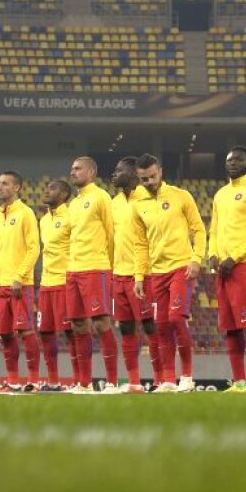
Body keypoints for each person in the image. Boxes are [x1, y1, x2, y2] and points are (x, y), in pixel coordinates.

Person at [130, 154, 206, 392]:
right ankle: (168, 380)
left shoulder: (181, 196)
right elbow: (140, 244)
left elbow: (199, 230)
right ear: (139, 178)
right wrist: (140, 276)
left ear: (160, 172)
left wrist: (196, 259)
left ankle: (187, 376)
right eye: (144, 179)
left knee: (175, 319)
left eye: (152, 176)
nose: (149, 181)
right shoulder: (137, 205)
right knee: (161, 325)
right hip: (156, 271)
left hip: (181, 267)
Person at [208, 147, 246, 393]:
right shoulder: (221, 194)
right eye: (229, 160)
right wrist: (212, 253)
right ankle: (239, 381)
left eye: (238, 160)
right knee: (230, 327)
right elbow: (214, 229)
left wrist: (235, 256)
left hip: (245, 265)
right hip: (223, 269)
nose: (233, 163)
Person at [66, 156, 118, 392]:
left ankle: (112, 381)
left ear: (91, 172)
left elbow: (111, 233)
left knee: (100, 322)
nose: (73, 172)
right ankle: (84, 383)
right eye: (72, 168)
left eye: (77, 169)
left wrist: (109, 265)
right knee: (78, 325)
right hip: (73, 270)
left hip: (95, 267)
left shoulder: (101, 197)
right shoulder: (74, 204)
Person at [0, 172, 42, 391]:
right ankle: (12, 381)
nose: (0, 187)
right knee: (5, 333)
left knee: (25, 331)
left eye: (5, 183)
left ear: (17, 187)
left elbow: (34, 248)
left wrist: (19, 277)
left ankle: (34, 380)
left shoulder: (25, 213)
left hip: (19, 284)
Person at [108, 158, 153, 393]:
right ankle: (134, 382)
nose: (114, 174)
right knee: (125, 328)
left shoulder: (147, 198)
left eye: (118, 170)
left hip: (144, 274)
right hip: (119, 274)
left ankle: (162, 380)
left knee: (150, 326)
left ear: (134, 174)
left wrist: (143, 272)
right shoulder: (113, 202)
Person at [37, 179, 73, 392]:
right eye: (47, 187)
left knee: (70, 331)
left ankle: (80, 380)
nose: (47, 191)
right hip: (46, 283)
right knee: (46, 332)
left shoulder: (71, 217)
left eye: (52, 188)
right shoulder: (43, 220)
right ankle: (53, 380)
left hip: (64, 281)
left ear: (64, 195)